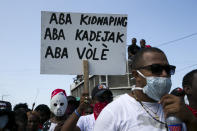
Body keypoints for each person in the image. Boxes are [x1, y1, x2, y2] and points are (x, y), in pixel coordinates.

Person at [94, 47, 196, 131]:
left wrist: (191, 121)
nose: (165, 74)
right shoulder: (114, 112)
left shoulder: (177, 108)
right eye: (156, 69)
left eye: (168, 70)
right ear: (136, 75)